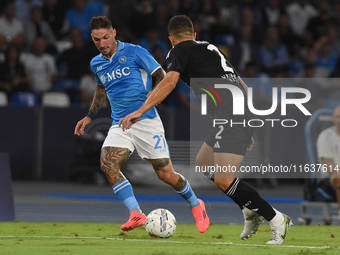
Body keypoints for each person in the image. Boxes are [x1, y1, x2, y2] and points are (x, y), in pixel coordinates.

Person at [119, 15, 292, 244]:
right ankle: (249, 210)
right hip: (236, 112)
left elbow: (169, 82)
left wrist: (140, 111)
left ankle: (277, 218)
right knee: (203, 161)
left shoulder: (177, 51)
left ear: (171, 39)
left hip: (232, 114)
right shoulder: (212, 48)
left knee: (223, 179)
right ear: (194, 35)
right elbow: (240, 83)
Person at [74, 16, 209, 233]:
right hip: (120, 123)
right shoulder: (96, 63)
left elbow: (162, 77)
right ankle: (136, 213)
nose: (102, 44)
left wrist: (143, 108)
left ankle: (196, 204)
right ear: (92, 38)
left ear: (114, 33)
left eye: (106, 37)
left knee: (166, 175)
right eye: (97, 40)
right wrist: (90, 115)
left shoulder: (135, 52)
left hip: (146, 121)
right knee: (107, 163)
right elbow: (101, 88)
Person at [316, 105, 340, 217]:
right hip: (329, 179)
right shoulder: (325, 136)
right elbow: (328, 164)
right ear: (333, 119)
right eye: (338, 117)